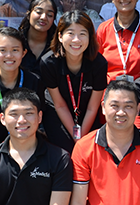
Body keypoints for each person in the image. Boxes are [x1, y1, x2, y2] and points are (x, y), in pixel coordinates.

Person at [40, 11, 108, 152]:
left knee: (89, 149)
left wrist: (81, 138)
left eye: (82, 34)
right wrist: (75, 137)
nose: (76, 40)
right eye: (70, 33)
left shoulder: (99, 63)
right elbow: (59, 105)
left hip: (88, 114)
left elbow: (92, 107)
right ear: (60, 36)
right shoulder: (49, 62)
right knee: (65, 151)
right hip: (58, 114)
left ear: (90, 37)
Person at [18, 0, 57, 76]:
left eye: (49, 15)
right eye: (39, 12)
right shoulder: (17, 41)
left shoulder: (58, 46)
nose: (43, 17)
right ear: (28, 15)